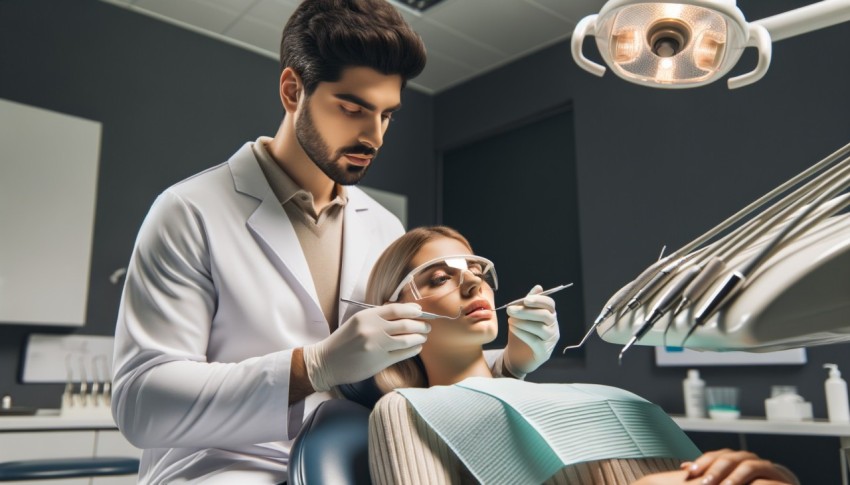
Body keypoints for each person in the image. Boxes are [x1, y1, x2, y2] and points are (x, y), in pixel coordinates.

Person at [110, 1, 559, 483]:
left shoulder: (384, 227)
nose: (375, 136)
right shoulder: (190, 212)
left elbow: (415, 366)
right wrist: (314, 366)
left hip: (355, 458)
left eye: (388, 114)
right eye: (352, 108)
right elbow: (142, 403)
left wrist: (510, 361)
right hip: (222, 467)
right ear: (292, 91)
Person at [363, 226, 800, 485]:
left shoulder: (546, 391)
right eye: (440, 277)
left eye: (477, 271)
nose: (474, 284)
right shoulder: (405, 408)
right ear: (395, 313)